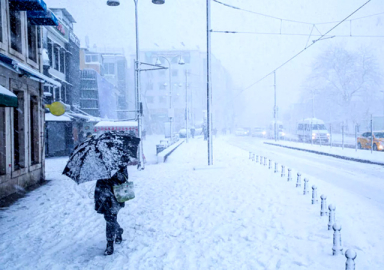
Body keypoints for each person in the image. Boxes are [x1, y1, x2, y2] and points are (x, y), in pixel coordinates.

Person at [94, 156, 129, 255]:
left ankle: (110, 244)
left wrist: (115, 172)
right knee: (109, 217)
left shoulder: (121, 159)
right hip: (103, 193)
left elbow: (124, 178)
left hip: (116, 194)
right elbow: (97, 176)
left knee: (110, 218)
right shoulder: (99, 159)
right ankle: (118, 231)